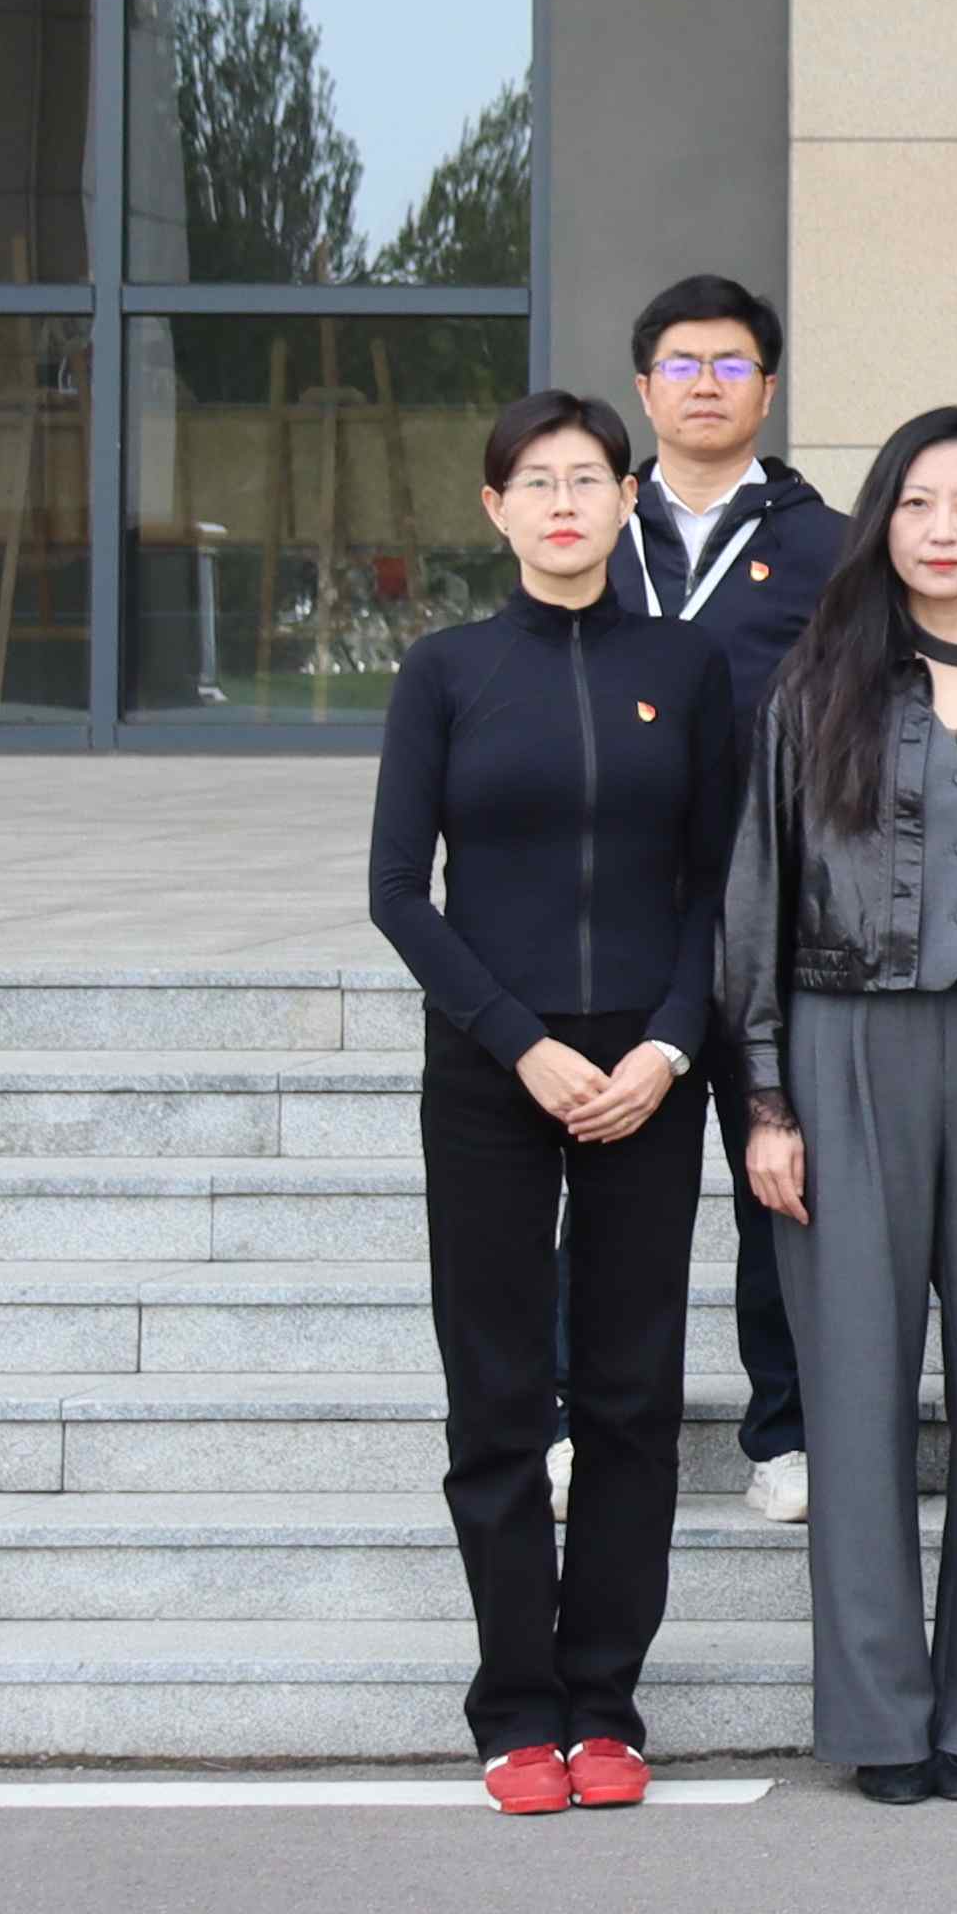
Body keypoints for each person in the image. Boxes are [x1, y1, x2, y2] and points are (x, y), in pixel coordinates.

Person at [372, 392, 742, 1814]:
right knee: (499, 1392)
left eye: (588, 478)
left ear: (628, 496)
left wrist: (670, 1046)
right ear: (496, 509)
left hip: (647, 1073)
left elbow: (717, 881)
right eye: (536, 482)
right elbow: (399, 892)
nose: (565, 502)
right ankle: (516, 1706)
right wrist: (520, 1044)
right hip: (492, 1070)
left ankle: (605, 1702)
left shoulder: (685, 665)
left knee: (634, 1395)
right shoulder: (447, 671)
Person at [721, 409, 957, 1806]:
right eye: (920, 503)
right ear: (883, 520)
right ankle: (879, 1714)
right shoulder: (815, 685)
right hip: (844, 1045)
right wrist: (766, 1096)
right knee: (857, 1391)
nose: (945, 530)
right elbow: (756, 895)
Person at [613, 274, 840, 1526]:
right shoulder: (593, 525)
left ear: (769, 387)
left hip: (779, 908)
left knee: (780, 1183)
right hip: (624, 913)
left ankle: (788, 1430)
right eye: (683, 365)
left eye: (732, 364)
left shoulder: (827, 544)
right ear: (644, 388)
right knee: (617, 1192)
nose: (707, 385)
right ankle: (590, 1421)